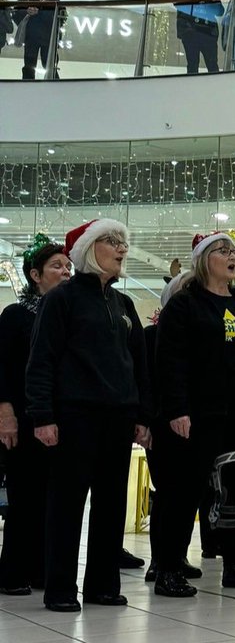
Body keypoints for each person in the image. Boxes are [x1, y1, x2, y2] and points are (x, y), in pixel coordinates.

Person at [25, 219, 151, 612]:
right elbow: (41, 360)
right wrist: (42, 415)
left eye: (123, 242)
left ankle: (102, 585)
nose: (121, 249)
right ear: (88, 249)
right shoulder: (60, 299)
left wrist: (142, 415)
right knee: (66, 505)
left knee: (112, 505)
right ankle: (60, 587)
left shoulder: (123, 303)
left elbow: (139, 366)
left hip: (118, 418)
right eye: (112, 241)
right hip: (74, 416)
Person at [150, 232, 235, 597]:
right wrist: (176, 408)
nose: (232, 257)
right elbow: (169, 361)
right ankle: (170, 568)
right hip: (196, 416)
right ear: (204, 260)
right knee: (184, 492)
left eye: (233, 252)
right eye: (223, 251)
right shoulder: (185, 305)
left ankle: (234, 563)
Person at [0, 235, 70, 595]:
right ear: (35, 275)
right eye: (56, 266)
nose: (65, 271)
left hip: (61, 418)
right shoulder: (15, 315)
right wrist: (6, 413)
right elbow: (3, 370)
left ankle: (42, 570)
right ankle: (12, 572)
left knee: (52, 499)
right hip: (24, 418)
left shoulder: (66, 315)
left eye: (68, 266)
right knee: (24, 497)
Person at [172, 0, 222, 75]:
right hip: (190, 31)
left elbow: (220, 12)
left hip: (209, 33)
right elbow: (177, 1)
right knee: (192, 63)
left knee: (213, 64)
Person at [13, 0, 65, 81]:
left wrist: (40, 13)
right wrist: (27, 12)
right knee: (29, 65)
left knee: (50, 65)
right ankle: (27, 87)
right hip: (32, 37)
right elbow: (15, 14)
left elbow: (62, 17)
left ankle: (56, 87)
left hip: (49, 38)